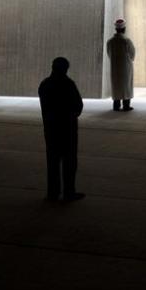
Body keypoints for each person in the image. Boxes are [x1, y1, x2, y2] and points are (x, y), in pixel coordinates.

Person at [38, 57, 85, 202]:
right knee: (69, 161)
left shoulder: (45, 84)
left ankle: (53, 192)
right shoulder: (68, 84)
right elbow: (78, 106)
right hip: (68, 129)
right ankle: (68, 192)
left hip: (51, 128)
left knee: (52, 161)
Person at [105, 18, 135, 111]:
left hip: (114, 66)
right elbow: (132, 53)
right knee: (126, 85)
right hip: (126, 67)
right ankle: (126, 105)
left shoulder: (110, 41)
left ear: (116, 29)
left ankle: (116, 104)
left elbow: (109, 53)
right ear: (124, 29)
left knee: (116, 84)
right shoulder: (126, 41)